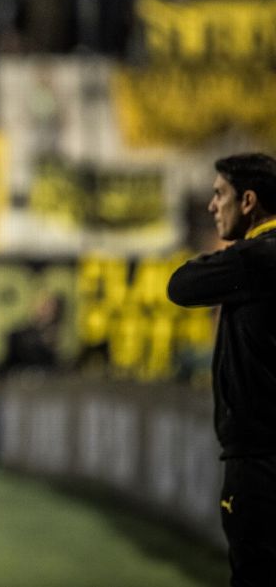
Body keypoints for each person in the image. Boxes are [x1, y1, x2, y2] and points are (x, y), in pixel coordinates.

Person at [167, 153, 276, 587]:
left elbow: (182, 284)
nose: (213, 207)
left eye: (219, 195)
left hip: (260, 459)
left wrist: (233, 250)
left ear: (248, 200)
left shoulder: (256, 259)